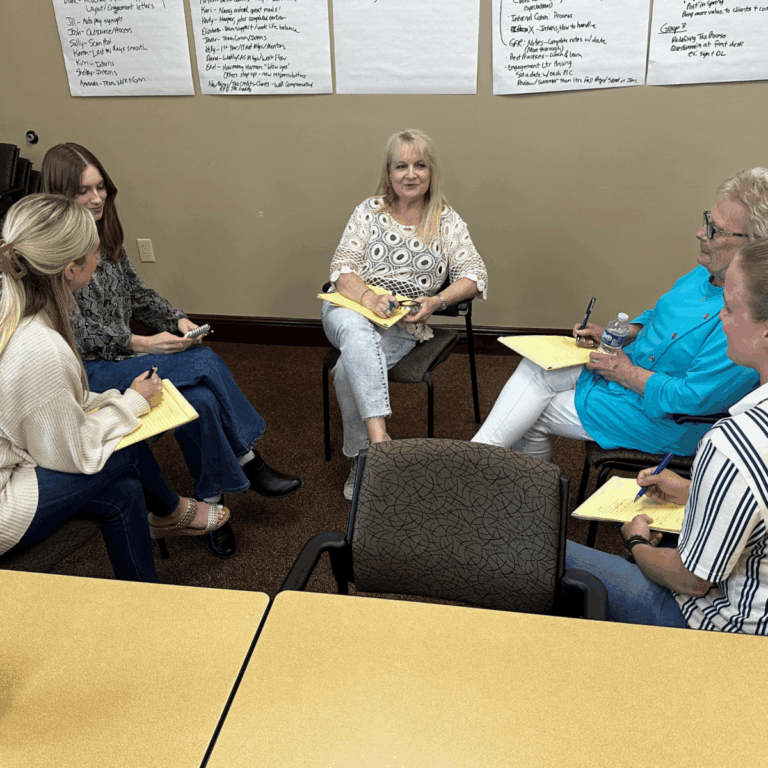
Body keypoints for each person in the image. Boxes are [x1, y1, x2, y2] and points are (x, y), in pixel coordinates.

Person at [42, 142, 301, 560]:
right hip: (86, 372)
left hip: (121, 358)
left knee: (198, 398)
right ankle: (248, 457)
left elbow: (138, 294)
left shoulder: (105, 235)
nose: (95, 199)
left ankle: (211, 504)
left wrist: (177, 320)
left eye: (100, 187)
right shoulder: (53, 252)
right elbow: (76, 332)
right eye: (82, 192)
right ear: (60, 196)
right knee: (203, 361)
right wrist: (142, 342)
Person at [0, 194, 231, 581]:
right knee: (122, 455)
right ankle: (172, 510)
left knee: (124, 493)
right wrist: (131, 405)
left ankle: (145, 599)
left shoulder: (13, 301)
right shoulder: (40, 347)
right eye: (93, 253)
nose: (100, 259)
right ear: (70, 269)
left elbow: (51, 409)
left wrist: (116, 400)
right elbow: (75, 454)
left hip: (14, 465)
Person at [472, 169, 768, 461]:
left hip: (668, 419)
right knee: (537, 369)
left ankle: (473, 469)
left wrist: (626, 374)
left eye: (714, 230)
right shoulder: (706, 273)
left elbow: (693, 399)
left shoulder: (745, 317)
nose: (700, 233)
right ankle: (473, 464)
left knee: (530, 415)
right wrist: (624, 334)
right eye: (707, 220)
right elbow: (661, 314)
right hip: (629, 371)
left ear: (754, 246)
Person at [566, 238, 768, 632]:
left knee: (548, 553)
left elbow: (690, 580)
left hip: (727, 629)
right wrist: (697, 491)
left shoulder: (733, 444)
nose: (720, 318)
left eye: (729, 308)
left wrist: (636, 542)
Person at [322, 128, 488, 499]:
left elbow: (475, 275)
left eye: (419, 165)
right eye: (401, 166)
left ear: (431, 172)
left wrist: (436, 302)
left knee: (348, 369)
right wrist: (366, 297)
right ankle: (380, 440)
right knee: (354, 330)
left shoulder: (446, 220)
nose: (410, 174)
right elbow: (341, 268)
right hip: (351, 307)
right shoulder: (368, 211)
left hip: (401, 320)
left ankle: (363, 456)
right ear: (389, 172)